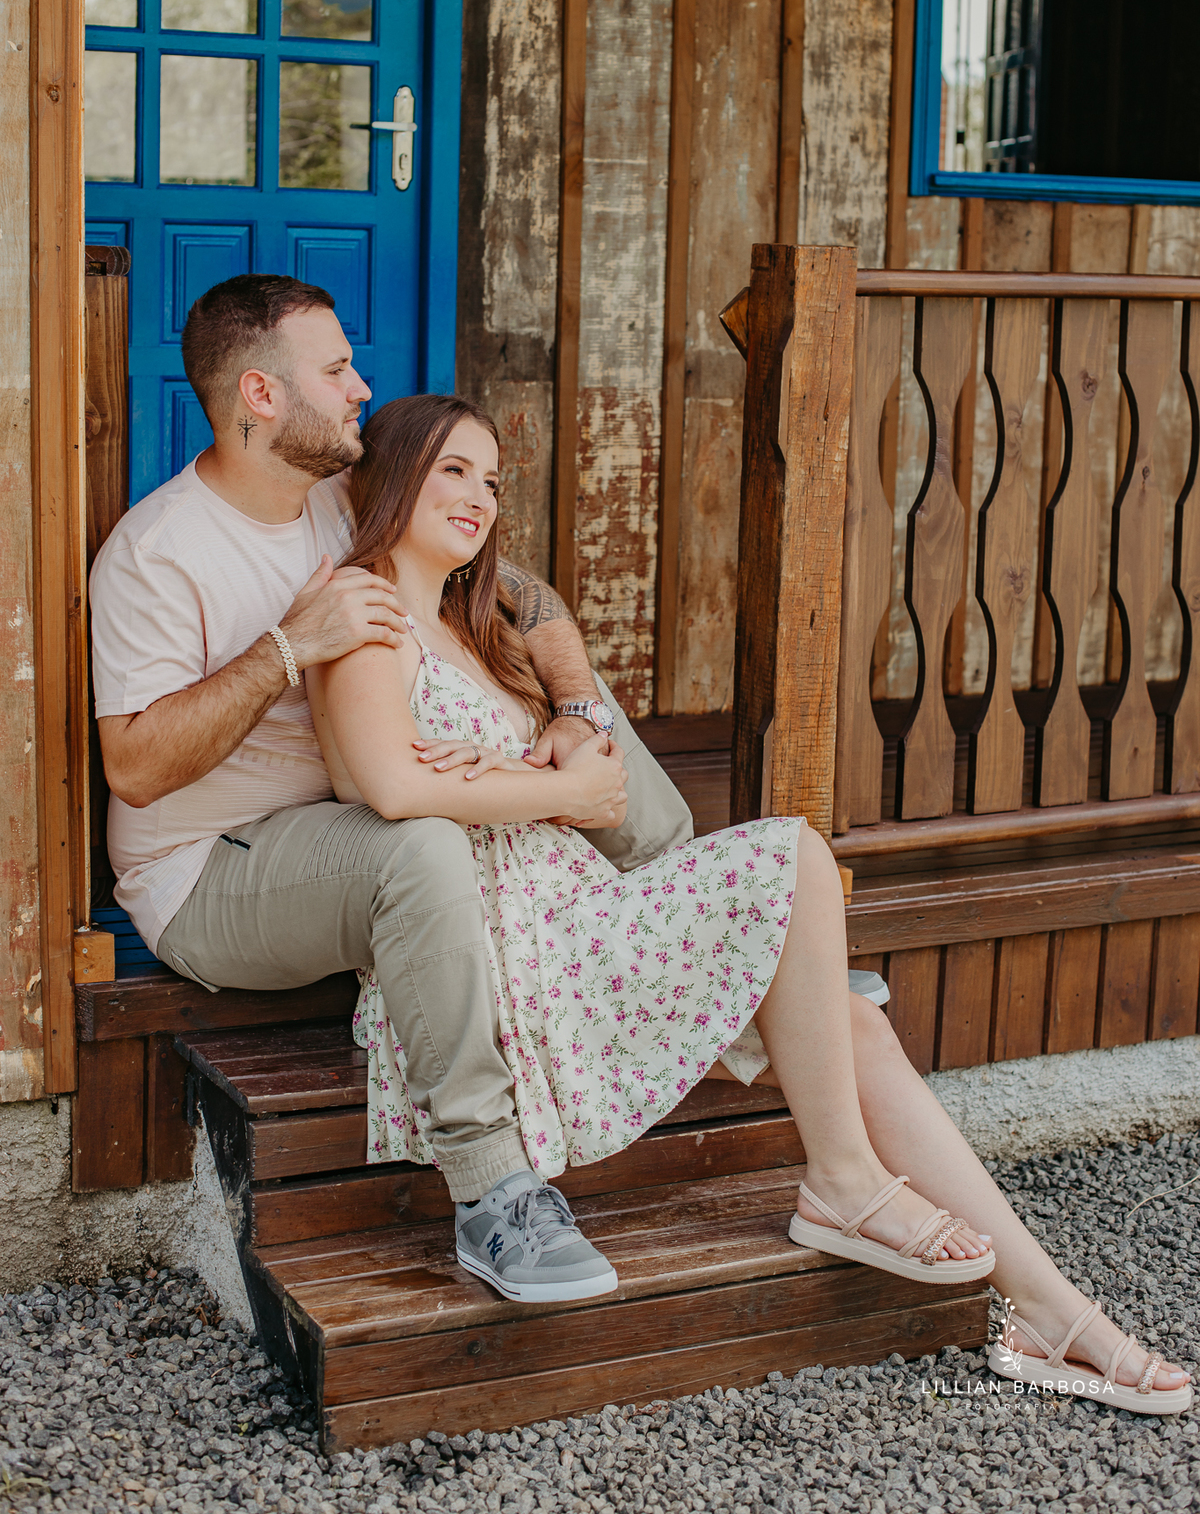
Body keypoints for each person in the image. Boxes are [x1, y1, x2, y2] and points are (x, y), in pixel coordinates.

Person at [306, 389, 1193, 1416]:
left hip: (581, 912)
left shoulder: (477, 617)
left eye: (492, 479)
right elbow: (395, 789)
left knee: (842, 1006)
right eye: (452, 469)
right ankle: (855, 1188)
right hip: (514, 955)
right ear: (395, 475)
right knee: (794, 863)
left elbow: (542, 741)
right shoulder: (365, 612)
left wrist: (567, 729)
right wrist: (566, 790)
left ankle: (1054, 1312)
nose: (478, 496)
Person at [89, 273, 691, 1307]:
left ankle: (704, 927)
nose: (362, 386)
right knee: (415, 845)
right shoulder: (156, 554)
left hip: (364, 801)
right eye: (335, 369)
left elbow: (525, 593)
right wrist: (287, 649)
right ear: (263, 397)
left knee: (569, 728)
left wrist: (575, 708)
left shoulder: (346, 502)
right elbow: (135, 767)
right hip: (213, 871)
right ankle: (495, 1193)